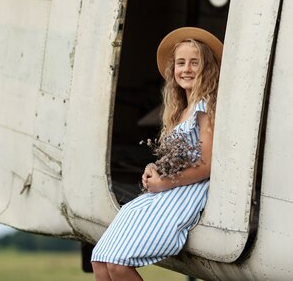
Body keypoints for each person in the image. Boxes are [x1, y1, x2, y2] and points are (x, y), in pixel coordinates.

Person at [91, 27, 223, 281]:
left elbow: (206, 165)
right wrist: (156, 169)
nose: (186, 69)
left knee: (118, 264)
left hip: (184, 194)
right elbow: (177, 156)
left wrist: (164, 182)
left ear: (208, 68)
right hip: (166, 190)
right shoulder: (181, 111)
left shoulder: (205, 108)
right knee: (100, 260)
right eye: (181, 63)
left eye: (195, 63)